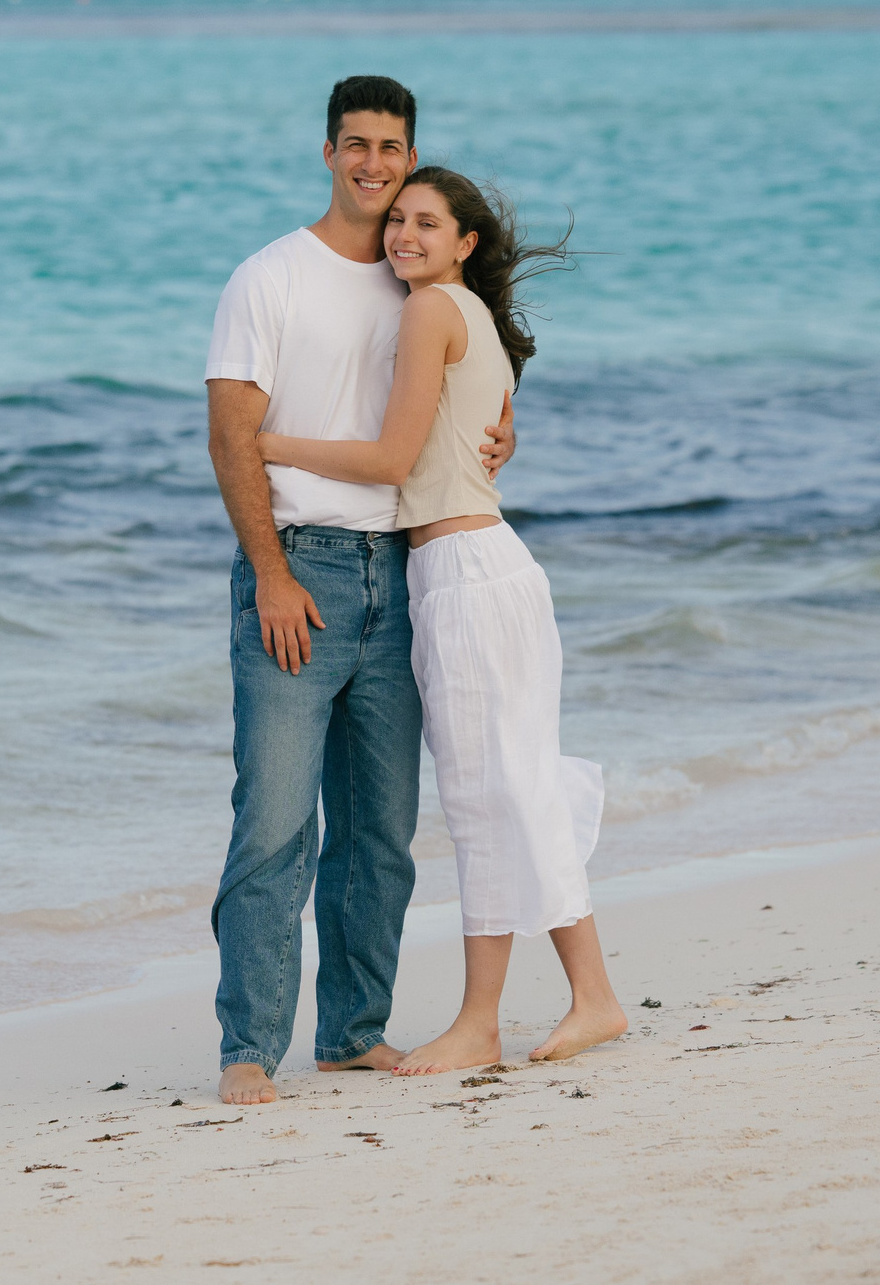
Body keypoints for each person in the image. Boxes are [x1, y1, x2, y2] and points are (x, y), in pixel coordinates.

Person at [256, 165, 625, 1072]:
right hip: (486, 565)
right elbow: (469, 433)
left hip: (463, 569)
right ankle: (516, 1012)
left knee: (489, 794)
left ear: (465, 242)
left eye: (427, 223)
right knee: (502, 788)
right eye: (399, 221)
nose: (404, 235)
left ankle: (558, 1004)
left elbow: (390, 458)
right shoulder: (476, 320)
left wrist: (261, 440)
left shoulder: (430, 311)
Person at [202, 76, 517, 1105]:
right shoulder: (269, 276)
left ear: (410, 152)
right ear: (327, 151)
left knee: (380, 829)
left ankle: (350, 1032)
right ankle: (247, 1048)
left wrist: (504, 429)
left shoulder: (415, 273)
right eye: (355, 144)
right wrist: (271, 576)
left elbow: (461, 381)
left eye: (391, 146)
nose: (373, 163)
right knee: (276, 823)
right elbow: (230, 434)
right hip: (302, 569)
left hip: (407, 575)